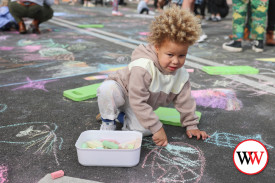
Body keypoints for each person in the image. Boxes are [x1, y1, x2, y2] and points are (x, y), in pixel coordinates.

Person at [96, 5, 210, 147]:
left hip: (138, 103)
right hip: (123, 92)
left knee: (142, 130)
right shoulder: (143, 66)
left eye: (182, 55)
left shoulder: (181, 76)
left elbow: (185, 102)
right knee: (107, 89)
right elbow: (137, 100)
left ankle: (120, 115)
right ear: (157, 47)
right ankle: (108, 122)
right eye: (170, 54)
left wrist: (191, 125)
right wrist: (158, 128)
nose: (175, 61)